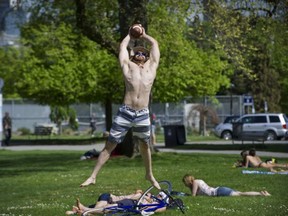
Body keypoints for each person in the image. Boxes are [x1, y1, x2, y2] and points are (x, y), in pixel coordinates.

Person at [80, 24, 160, 189]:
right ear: (133, 56)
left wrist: (144, 35)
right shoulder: (127, 66)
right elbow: (123, 47)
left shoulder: (152, 68)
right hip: (126, 111)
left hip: (143, 113)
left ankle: (149, 174)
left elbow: (155, 45)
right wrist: (129, 34)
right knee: (110, 144)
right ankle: (93, 176)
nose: (139, 53)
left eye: (142, 52)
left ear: (146, 56)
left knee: (145, 145)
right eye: (136, 52)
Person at [65, 190, 168, 215]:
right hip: (114, 199)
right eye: (158, 194)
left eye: (160, 196)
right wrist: (145, 195)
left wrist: (164, 204)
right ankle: (86, 211)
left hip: (127, 203)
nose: (157, 195)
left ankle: (81, 211)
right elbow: (139, 191)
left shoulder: (155, 204)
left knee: (107, 207)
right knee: (106, 205)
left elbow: (161, 209)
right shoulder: (141, 195)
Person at [182, 174, 271, 197]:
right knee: (241, 193)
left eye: (185, 183)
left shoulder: (194, 183)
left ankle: (261, 194)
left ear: (188, 181)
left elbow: (193, 196)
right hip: (220, 189)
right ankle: (262, 193)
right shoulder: (198, 180)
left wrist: (185, 195)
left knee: (241, 194)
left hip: (219, 192)